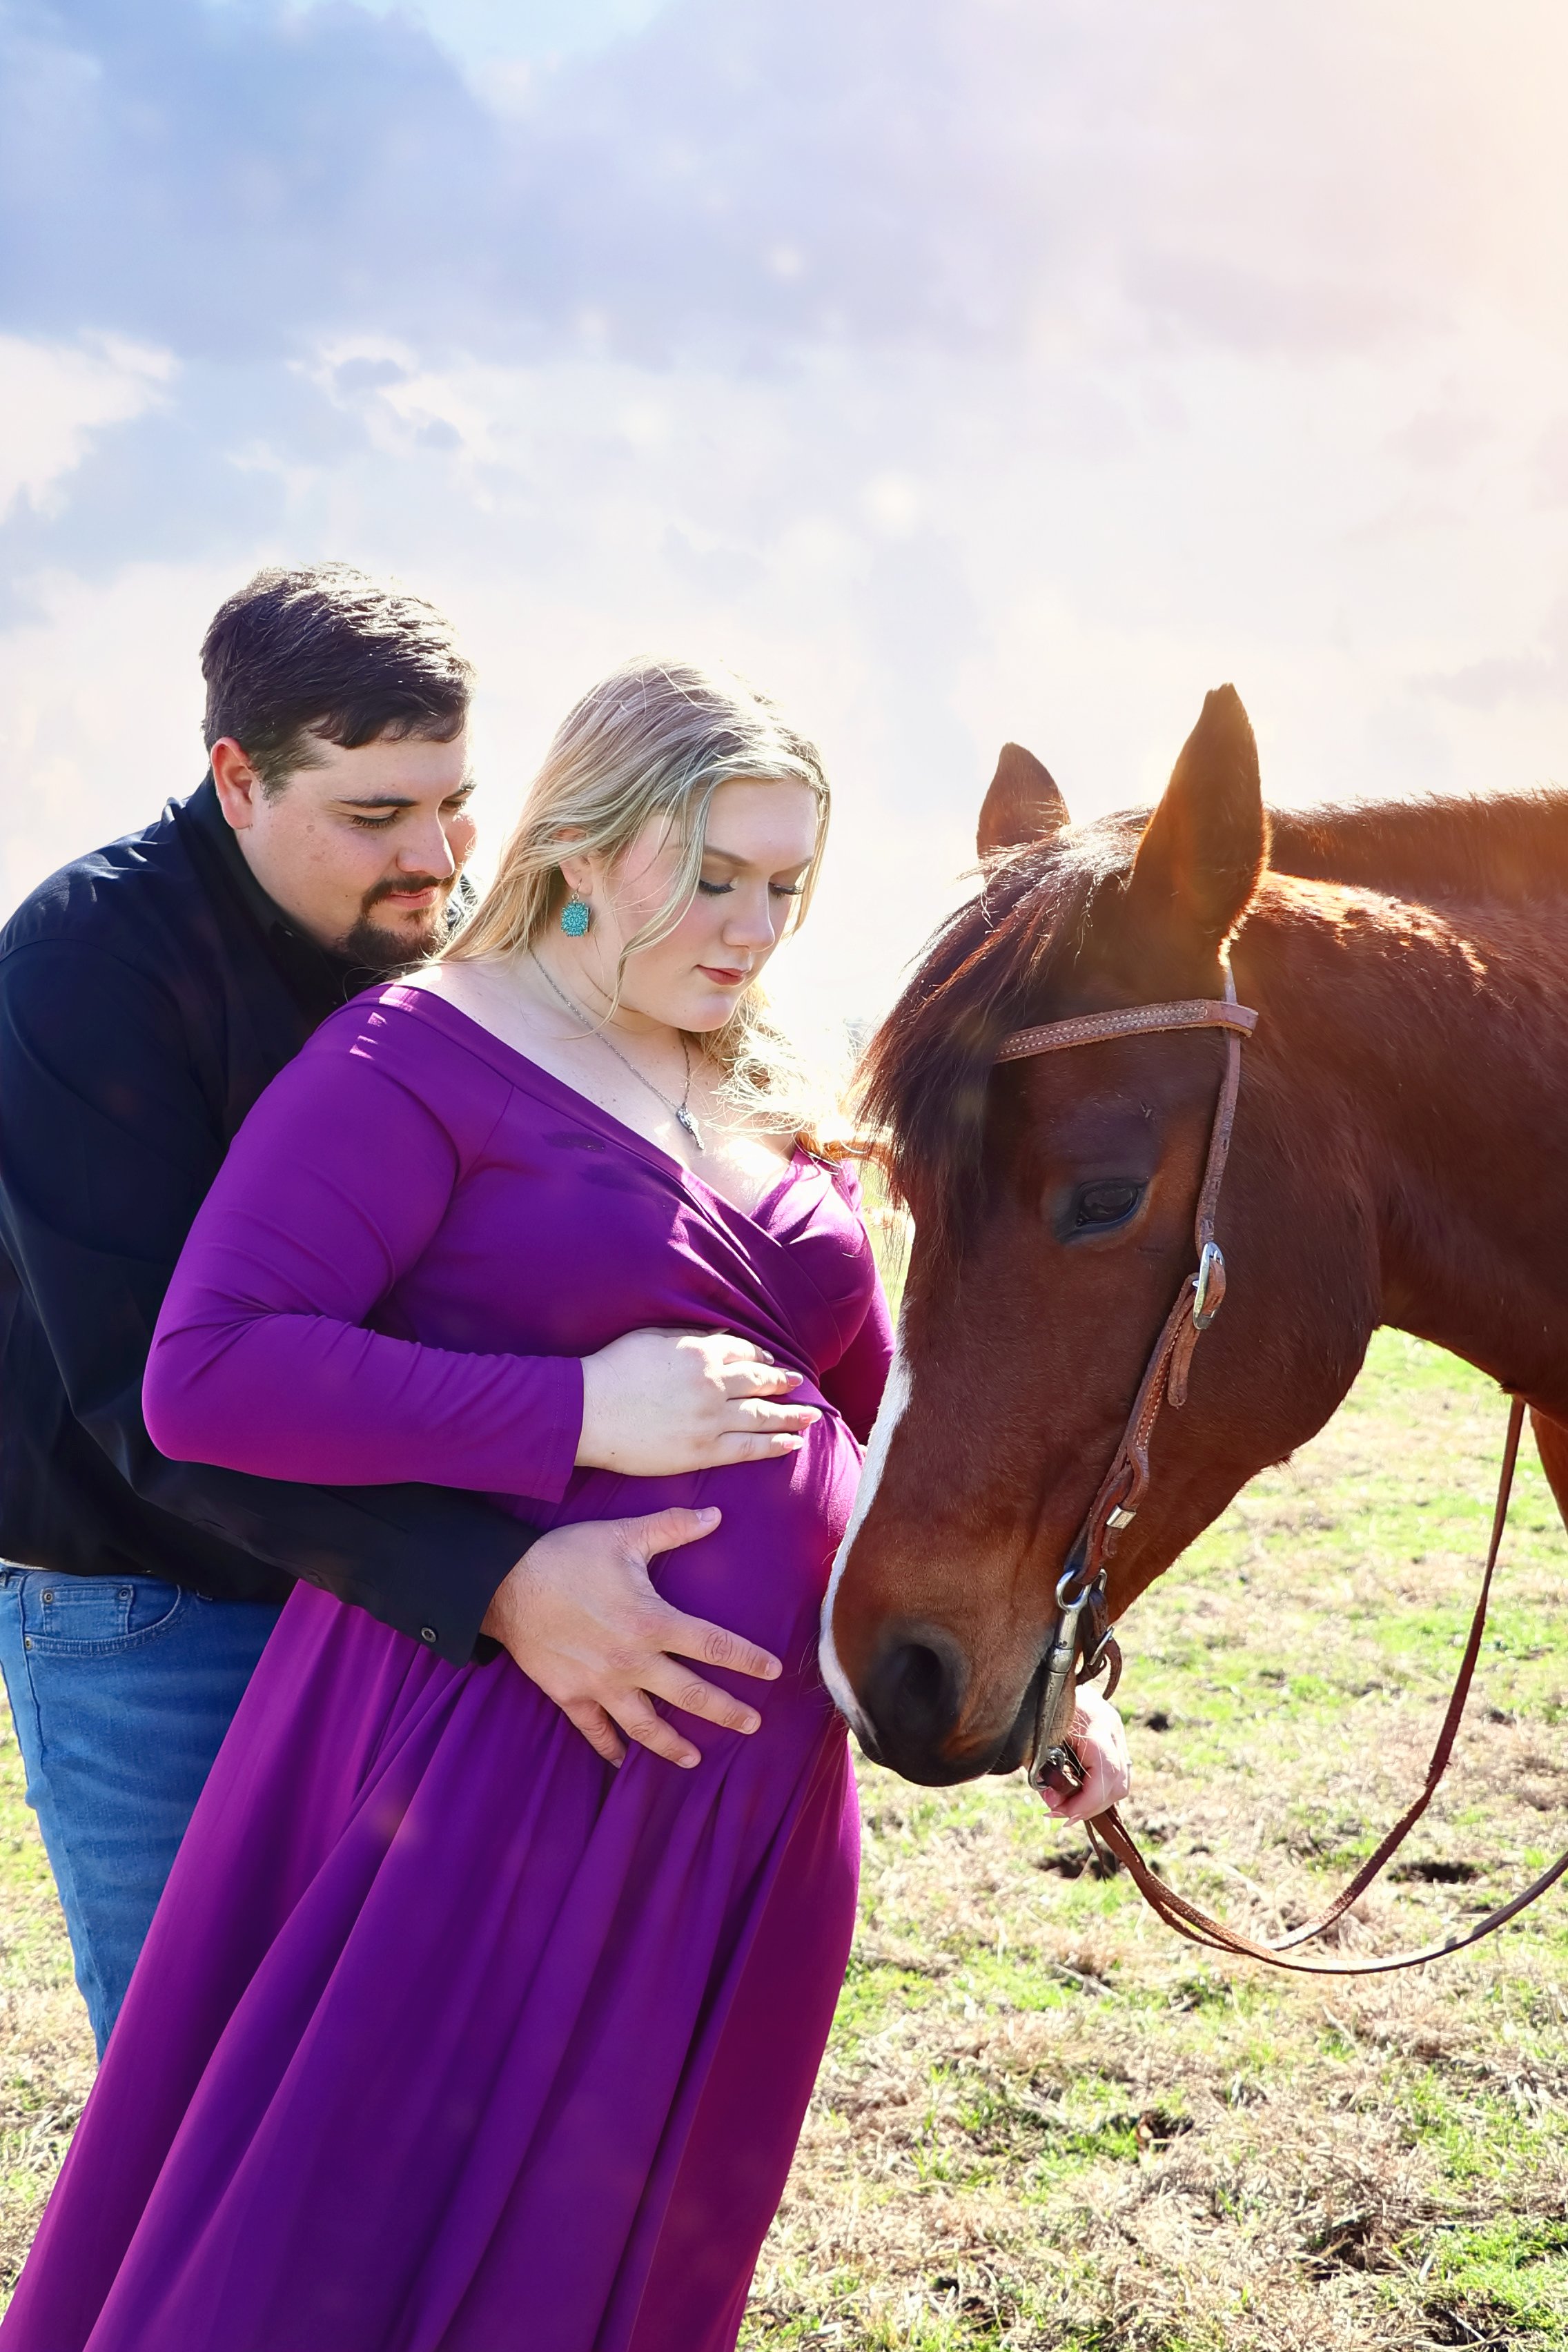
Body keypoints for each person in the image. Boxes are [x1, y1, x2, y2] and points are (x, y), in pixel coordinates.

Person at [0, 571, 814, 2055]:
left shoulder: (447, 970)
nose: (433, 858)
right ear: (235, 780)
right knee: (205, 2076)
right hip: (157, 1608)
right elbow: (146, 1400)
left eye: (455, 804)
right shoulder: (85, 965)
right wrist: (499, 1578)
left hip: (383, 1604)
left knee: (379, 2066)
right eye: (376, 817)